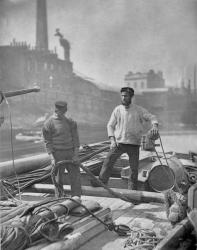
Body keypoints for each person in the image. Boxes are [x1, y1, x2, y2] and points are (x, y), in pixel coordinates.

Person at [92, 87, 159, 190]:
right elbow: (110, 125)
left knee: (134, 169)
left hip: (134, 144)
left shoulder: (139, 110)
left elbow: (152, 117)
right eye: (122, 95)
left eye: (126, 96)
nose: (123, 98)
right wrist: (112, 140)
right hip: (119, 143)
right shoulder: (117, 109)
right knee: (108, 161)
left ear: (131, 97)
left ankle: (132, 191)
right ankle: (102, 182)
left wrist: (154, 126)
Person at [42, 101, 81, 198]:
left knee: (75, 177)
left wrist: (76, 155)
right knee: (58, 179)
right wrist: (52, 158)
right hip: (57, 154)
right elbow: (48, 143)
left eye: (64, 111)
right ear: (56, 110)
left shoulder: (70, 122)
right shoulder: (48, 124)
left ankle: (77, 198)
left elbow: (76, 139)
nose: (63, 113)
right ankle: (59, 200)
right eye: (61, 111)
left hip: (71, 153)